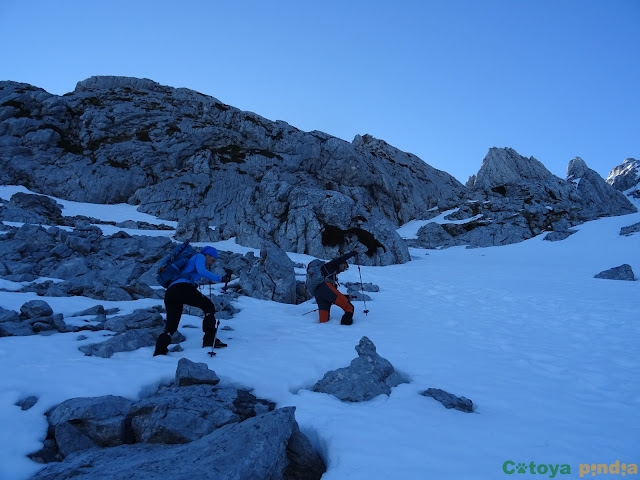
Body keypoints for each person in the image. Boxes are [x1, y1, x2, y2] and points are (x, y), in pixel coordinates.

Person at [153, 245, 232, 356]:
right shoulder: (199, 256)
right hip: (183, 288)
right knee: (209, 306)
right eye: (212, 260)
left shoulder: (191, 261)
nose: (212, 264)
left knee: (171, 326)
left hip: (171, 292)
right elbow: (202, 270)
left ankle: (159, 351)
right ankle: (209, 340)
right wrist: (221, 278)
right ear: (207, 255)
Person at [313, 247, 360, 325]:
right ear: (340, 263)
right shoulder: (331, 265)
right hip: (325, 288)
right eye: (344, 267)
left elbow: (333, 295)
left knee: (323, 321)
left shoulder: (329, 274)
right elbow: (342, 258)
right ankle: (346, 329)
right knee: (349, 307)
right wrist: (354, 252)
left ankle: (321, 333)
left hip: (319, 294)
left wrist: (347, 297)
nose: (343, 270)